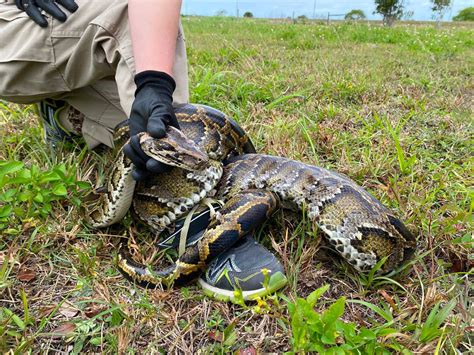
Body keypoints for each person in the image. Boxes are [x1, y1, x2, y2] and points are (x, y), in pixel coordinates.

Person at [0, 0, 287, 302]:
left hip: (67, 23)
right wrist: (154, 79)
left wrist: (153, 87)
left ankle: (64, 112)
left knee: (136, 119)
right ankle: (191, 223)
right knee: (129, 14)